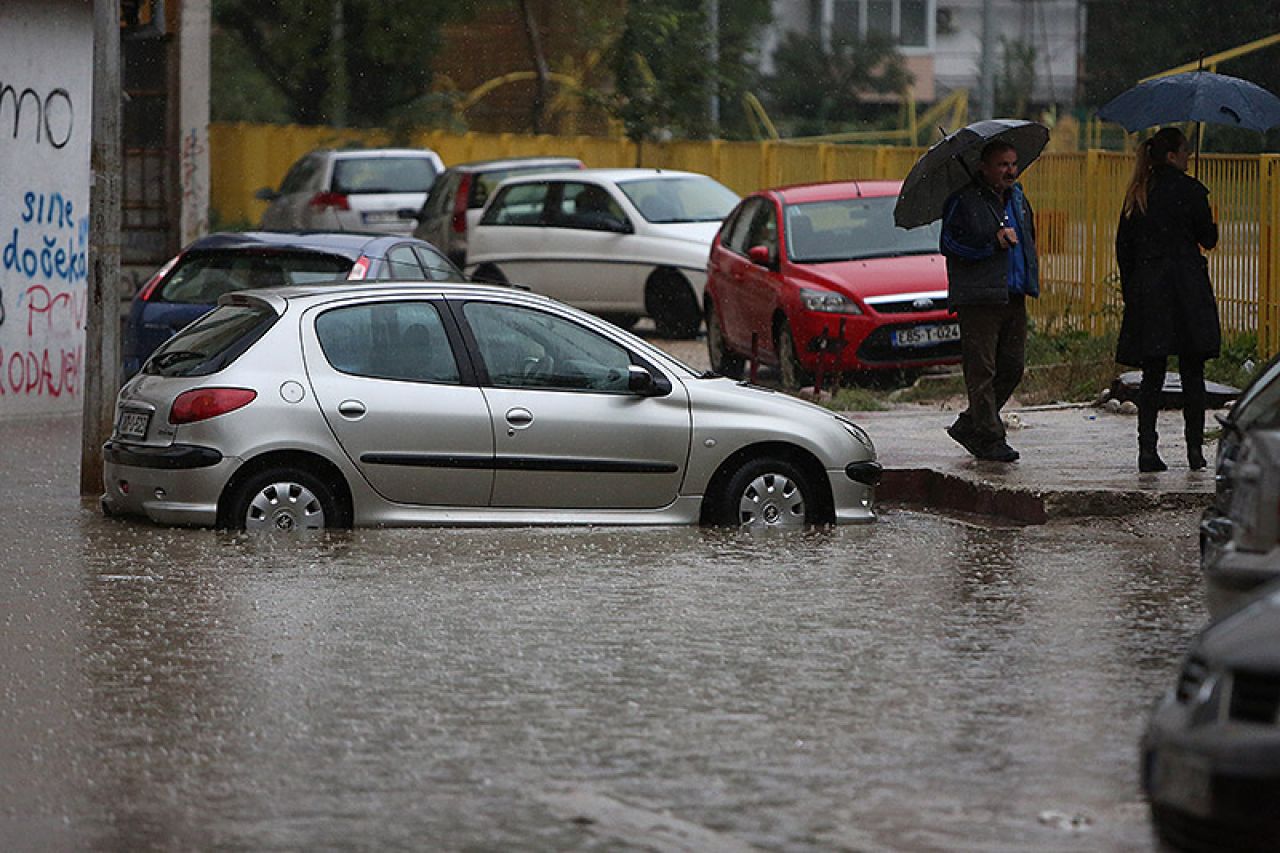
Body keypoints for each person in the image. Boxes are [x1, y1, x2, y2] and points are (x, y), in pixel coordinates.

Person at [1115, 127, 1220, 473]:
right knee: (1193, 372)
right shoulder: (1191, 191)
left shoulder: (1138, 194)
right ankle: (1195, 451)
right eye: (1185, 151)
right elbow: (1209, 237)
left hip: (1151, 290)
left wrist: (1134, 290)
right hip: (1187, 289)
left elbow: (1123, 250)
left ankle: (1147, 450)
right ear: (1172, 156)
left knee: (1153, 374)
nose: (1189, 156)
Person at [939, 140, 1040, 463]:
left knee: (1012, 367)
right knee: (982, 370)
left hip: (1013, 293)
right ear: (984, 167)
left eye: (1012, 164)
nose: (1010, 170)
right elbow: (949, 244)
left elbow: (1028, 240)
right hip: (978, 298)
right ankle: (991, 437)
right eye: (1002, 165)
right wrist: (989, 243)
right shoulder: (964, 201)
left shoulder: (1019, 199)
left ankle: (972, 424)